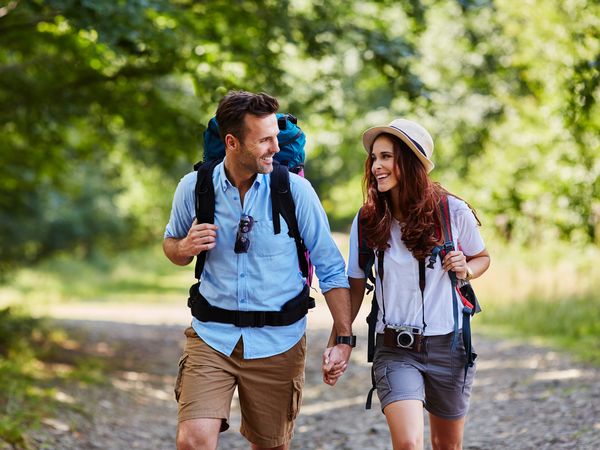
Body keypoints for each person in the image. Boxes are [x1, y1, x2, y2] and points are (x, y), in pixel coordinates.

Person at [163, 90, 354, 450]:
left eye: (276, 137)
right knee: (192, 441)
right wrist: (184, 248)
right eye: (264, 139)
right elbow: (171, 245)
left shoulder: (294, 190)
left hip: (278, 342)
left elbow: (331, 268)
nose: (274, 147)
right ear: (232, 142)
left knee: (271, 446)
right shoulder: (194, 188)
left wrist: (343, 337)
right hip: (211, 338)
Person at [324, 119, 490, 449]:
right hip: (395, 348)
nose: (376, 166)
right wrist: (340, 341)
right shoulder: (368, 218)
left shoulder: (452, 211)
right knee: (409, 443)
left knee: (446, 446)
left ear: (410, 162)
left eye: (387, 157)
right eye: (374, 157)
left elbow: (482, 257)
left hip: (449, 346)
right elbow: (355, 284)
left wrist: (466, 268)